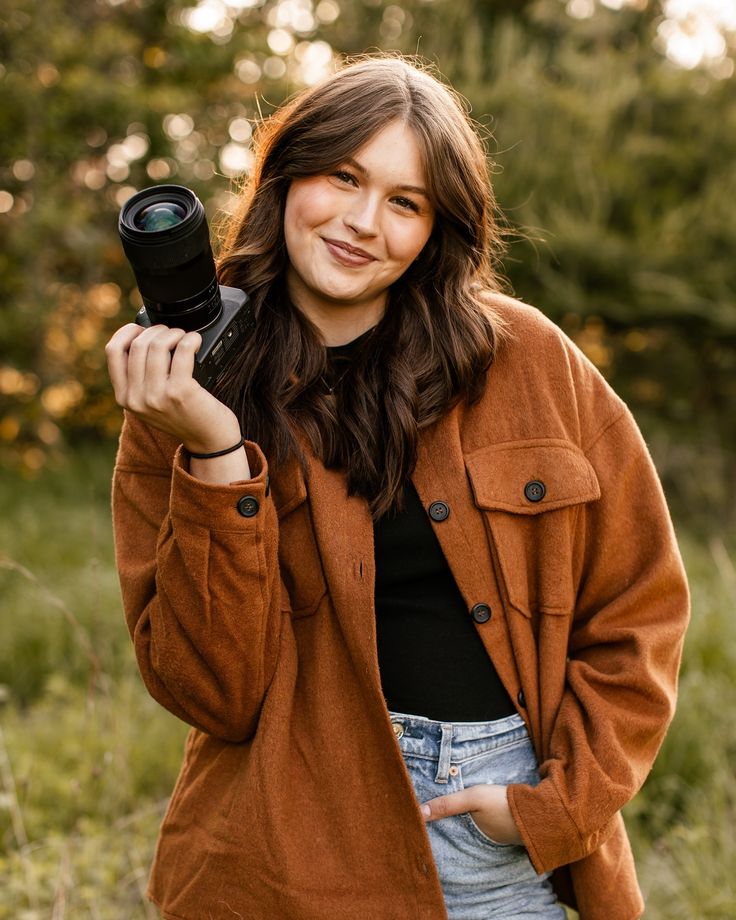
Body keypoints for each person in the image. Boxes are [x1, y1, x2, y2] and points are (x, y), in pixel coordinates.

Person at [105, 55, 689, 920]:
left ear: (435, 228)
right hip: (286, 853)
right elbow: (212, 696)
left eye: (405, 201)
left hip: (501, 846)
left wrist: (553, 809)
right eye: (343, 176)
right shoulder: (188, 385)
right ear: (288, 176)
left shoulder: (526, 359)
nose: (363, 222)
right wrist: (216, 452)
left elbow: (639, 610)